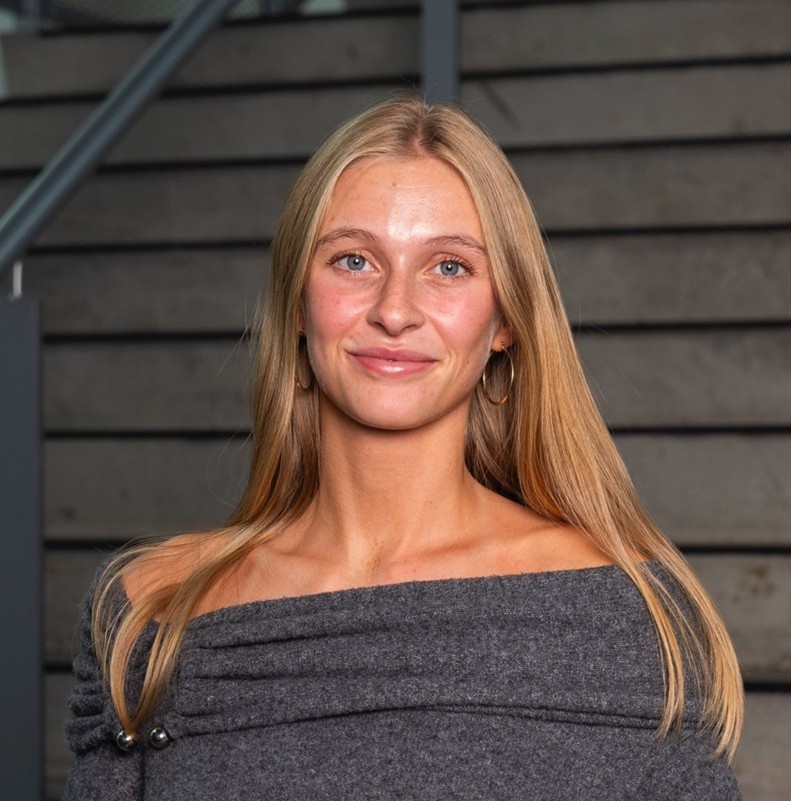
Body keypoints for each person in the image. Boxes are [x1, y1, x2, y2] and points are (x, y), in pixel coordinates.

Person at [63, 95, 743, 800]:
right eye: (354, 260)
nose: (394, 310)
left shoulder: (624, 611)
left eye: (448, 267)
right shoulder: (151, 606)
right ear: (298, 304)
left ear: (504, 320)